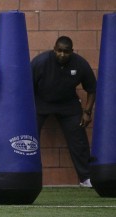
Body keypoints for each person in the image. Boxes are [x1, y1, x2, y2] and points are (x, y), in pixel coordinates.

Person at [31, 36, 96, 188]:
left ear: (71, 52)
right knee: (28, 138)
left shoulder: (80, 64)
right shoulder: (40, 62)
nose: (62, 54)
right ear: (54, 49)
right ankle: (27, 175)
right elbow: (26, 87)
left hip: (68, 104)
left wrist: (87, 112)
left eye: (66, 52)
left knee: (79, 139)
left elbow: (92, 89)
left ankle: (86, 178)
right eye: (59, 51)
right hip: (41, 102)